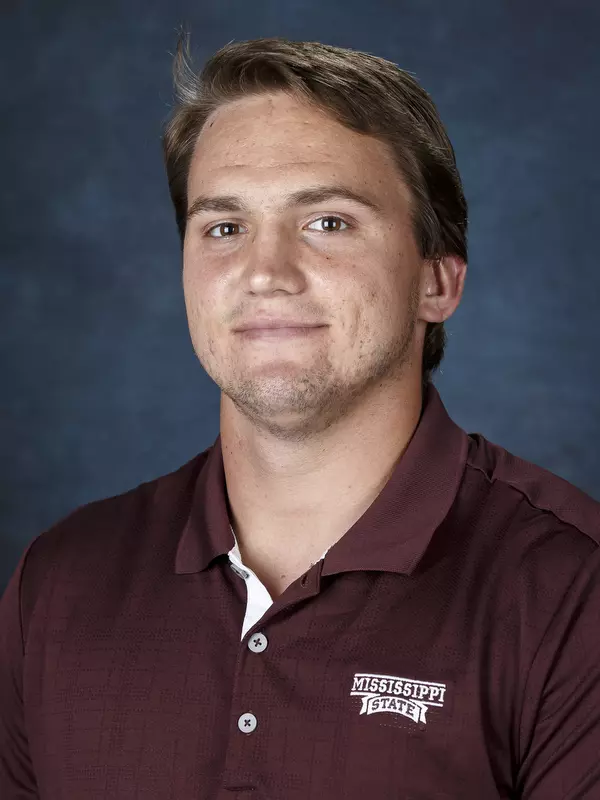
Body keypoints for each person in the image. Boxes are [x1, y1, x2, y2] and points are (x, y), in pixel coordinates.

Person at [1, 33, 599, 800]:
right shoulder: (58, 582)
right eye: (224, 227)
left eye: (328, 222)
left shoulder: (571, 589)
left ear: (437, 283)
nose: (264, 272)